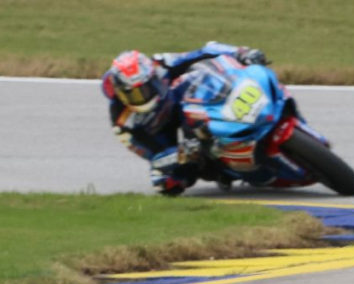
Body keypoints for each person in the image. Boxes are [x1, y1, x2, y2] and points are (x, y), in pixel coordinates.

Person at [101, 42, 268, 195]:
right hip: (161, 134)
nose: (145, 94)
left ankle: (237, 119)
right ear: (122, 94)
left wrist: (240, 53)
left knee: (206, 78)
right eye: (136, 94)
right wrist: (180, 154)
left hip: (179, 100)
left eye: (147, 86)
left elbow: (203, 52)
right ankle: (223, 170)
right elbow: (153, 155)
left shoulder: (160, 63)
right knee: (167, 181)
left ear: (152, 75)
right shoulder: (123, 122)